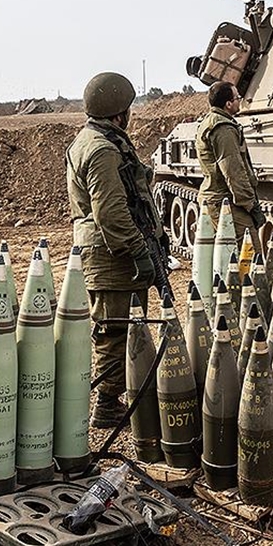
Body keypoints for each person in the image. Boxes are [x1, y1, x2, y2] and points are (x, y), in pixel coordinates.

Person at [66, 71, 166, 427]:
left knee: (128, 325)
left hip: (112, 251)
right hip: (111, 255)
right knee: (115, 329)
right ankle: (107, 404)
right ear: (119, 112)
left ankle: (121, 394)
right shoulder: (102, 150)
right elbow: (110, 212)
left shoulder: (99, 141)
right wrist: (139, 250)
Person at [195, 81, 265, 238]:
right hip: (225, 200)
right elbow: (233, 171)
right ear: (228, 104)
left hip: (219, 198)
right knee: (250, 252)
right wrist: (251, 205)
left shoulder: (212, 121)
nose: (240, 100)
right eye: (237, 97)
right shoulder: (223, 129)